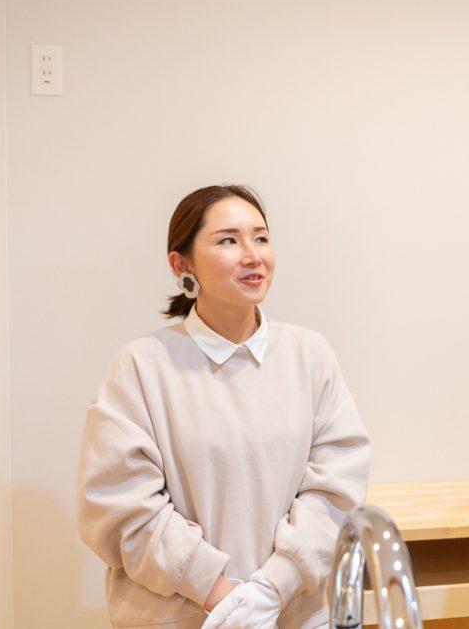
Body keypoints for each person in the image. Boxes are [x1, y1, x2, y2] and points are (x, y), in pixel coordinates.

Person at [78, 185, 370, 629]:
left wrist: (273, 589)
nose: (253, 255)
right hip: (183, 617)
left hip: (293, 614)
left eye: (261, 238)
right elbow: (121, 508)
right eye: (229, 240)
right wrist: (222, 596)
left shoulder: (310, 356)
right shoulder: (141, 366)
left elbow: (337, 486)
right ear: (182, 265)